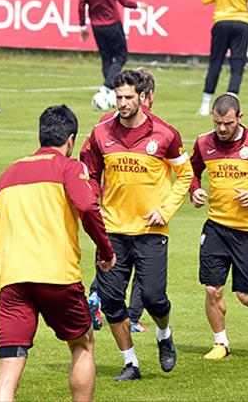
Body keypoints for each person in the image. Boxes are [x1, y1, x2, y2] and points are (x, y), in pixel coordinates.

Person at [0, 105, 116, 402]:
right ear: (70, 140)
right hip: (57, 277)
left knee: (7, 371)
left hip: (13, 279)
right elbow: (88, 207)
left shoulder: (7, 176)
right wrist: (105, 250)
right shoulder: (70, 168)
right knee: (83, 344)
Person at [82, 69, 192, 380]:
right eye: (118, 97)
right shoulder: (100, 132)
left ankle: (164, 334)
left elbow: (185, 174)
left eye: (128, 97)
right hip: (112, 231)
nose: (122, 103)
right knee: (111, 302)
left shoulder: (166, 134)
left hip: (150, 231)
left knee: (155, 299)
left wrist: (166, 210)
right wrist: (94, 203)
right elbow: (89, 172)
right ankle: (131, 363)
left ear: (143, 97)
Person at [189, 94, 248, 360]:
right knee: (212, 289)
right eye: (217, 122)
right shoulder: (203, 142)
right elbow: (191, 172)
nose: (222, 128)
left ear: (240, 118)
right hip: (216, 227)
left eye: (228, 123)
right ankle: (221, 342)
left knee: (246, 295)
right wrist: (194, 191)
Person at [83, 68, 156, 333]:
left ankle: (96, 294)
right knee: (142, 268)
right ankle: (133, 317)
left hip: (111, 206)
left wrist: (95, 194)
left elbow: (87, 160)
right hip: (140, 213)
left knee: (111, 258)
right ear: (148, 95)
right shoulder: (153, 127)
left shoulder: (106, 122)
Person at [78, 0, 146, 103]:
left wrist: (83, 26)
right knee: (121, 56)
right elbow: (125, 1)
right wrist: (140, 5)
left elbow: (81, 7)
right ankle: (107, 87)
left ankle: (109, 94)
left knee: (106, 57)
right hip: (112, 24)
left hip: (96, 26)